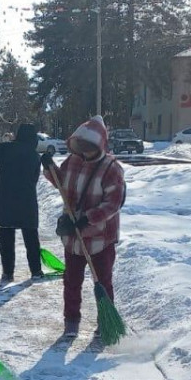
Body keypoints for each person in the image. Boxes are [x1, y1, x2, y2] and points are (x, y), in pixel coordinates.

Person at [40, 115, 126, 338]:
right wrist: (49, 168)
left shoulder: (111, 168)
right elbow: (62, 182)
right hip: (73, 236)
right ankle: (71, 321)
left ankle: (104, 325)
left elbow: (113, 203)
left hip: (100, 238)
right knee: (71, 280)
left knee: (103, 283)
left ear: (99, 144)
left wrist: (88, 218)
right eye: (81, 145)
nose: (84, 150)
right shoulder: (73, 161)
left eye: (88, 146)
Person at [0, 123, 44, 282]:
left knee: (6, 239)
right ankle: (36, 271)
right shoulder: (35, 156)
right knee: (31, 238)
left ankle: (8, 273)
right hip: (27, 201)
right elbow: (34, 179)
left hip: (5, 201)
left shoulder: (6, 148)